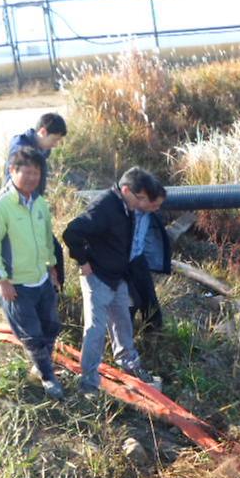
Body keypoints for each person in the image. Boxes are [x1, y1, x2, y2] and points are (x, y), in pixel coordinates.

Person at [62, 167, 163, 397]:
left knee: (123, 322)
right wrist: (83, 262)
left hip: (117, 277)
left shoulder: (127, 207)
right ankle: (88, 383)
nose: (142, 203)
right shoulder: (104, 206)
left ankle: (129, 363)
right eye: (140, 198)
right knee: (96, 329)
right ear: (126, 189)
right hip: (98, 277)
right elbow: (71, 233)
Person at [0, 146, 64, 400]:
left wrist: (52, 269)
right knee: (32, 336)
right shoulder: (0, 205)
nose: (32, 178)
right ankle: (48, 378)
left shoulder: (39, 203)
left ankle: (40, 366)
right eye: (26, 172)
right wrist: (1, 280)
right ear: (12, 171)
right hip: (16, 285)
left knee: (51, 327)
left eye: (36, 173)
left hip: (41, 279)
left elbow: (47, 240)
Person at [5, 112, 68, 287]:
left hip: (34, 206)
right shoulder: (21, 149)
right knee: (48, 249)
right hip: (19, 209)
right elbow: (13, 183)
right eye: (54, 139)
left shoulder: (41, 147)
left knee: (52, 250)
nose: (55, 145)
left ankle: (53, 291)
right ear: (42, 131)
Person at [127, 185, 171, 332]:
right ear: (143, 199)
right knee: (131, 303)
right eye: (155, 204)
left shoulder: (149, 215)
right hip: (122, 263)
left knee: (151, 304)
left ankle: (153, 336)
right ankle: (125, 338)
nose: (157, 208)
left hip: (138, 260)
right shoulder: (126, 213)